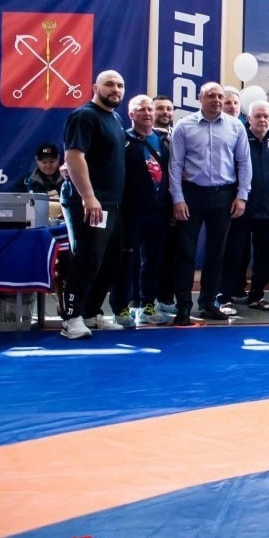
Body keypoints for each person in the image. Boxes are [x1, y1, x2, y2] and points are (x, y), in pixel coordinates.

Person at [169, 81, 251, 325]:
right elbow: (175, 164)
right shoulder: (184, 126)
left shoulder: (236, 126)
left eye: (219, 96)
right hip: (191, 195)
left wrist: (242, 195)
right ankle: (184, 307)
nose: (216, 100)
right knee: (185, 253)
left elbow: (244, 163)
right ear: (200, 98)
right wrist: (177, 198)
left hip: (224, 196)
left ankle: (208, 304)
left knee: (217, 253)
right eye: (211, 96)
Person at [58, 70, 128, 339]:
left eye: (120, 85)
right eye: (109, 84)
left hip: (112, 203)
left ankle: (90, 312)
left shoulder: (115, 118)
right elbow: (74, 156)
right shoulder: (84, 116)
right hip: (88, 203)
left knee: (109, 261)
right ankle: (71, 318)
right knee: (86, 259)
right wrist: (88, 197)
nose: (116, 89)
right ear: (94, 87)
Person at [227, 100, 269, 312]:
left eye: (265, 116)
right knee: (235, 253)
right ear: (249, 118)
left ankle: (256, 296)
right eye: (257, 116)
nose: (262, 120)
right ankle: (227, 296)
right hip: (241, 207)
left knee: (265, 255)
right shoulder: (238, 137)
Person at [120, 94, 172, 326]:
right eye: (141, 109)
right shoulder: (123, 139)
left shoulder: (163, 141)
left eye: (150, 109)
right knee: (128, 260)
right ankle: (126, 306)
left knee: (153, 260)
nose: (147, 113)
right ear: (131, 114)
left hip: (159, 210)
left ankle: (147, 306)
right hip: (131, 210)